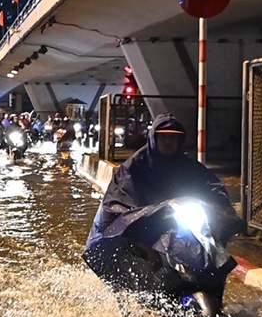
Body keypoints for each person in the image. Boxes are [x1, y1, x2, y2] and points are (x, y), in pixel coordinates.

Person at [83, 115, 236, 297]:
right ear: (154, 138)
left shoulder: (187, 165)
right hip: (147, 224)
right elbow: (117, 200)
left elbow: (211, 187)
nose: (168, 141)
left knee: (214, 252)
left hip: (178, 222)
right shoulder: (134, 166)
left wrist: (222, 208)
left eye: (173, 137)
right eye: (164, 137)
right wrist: (148, 212)